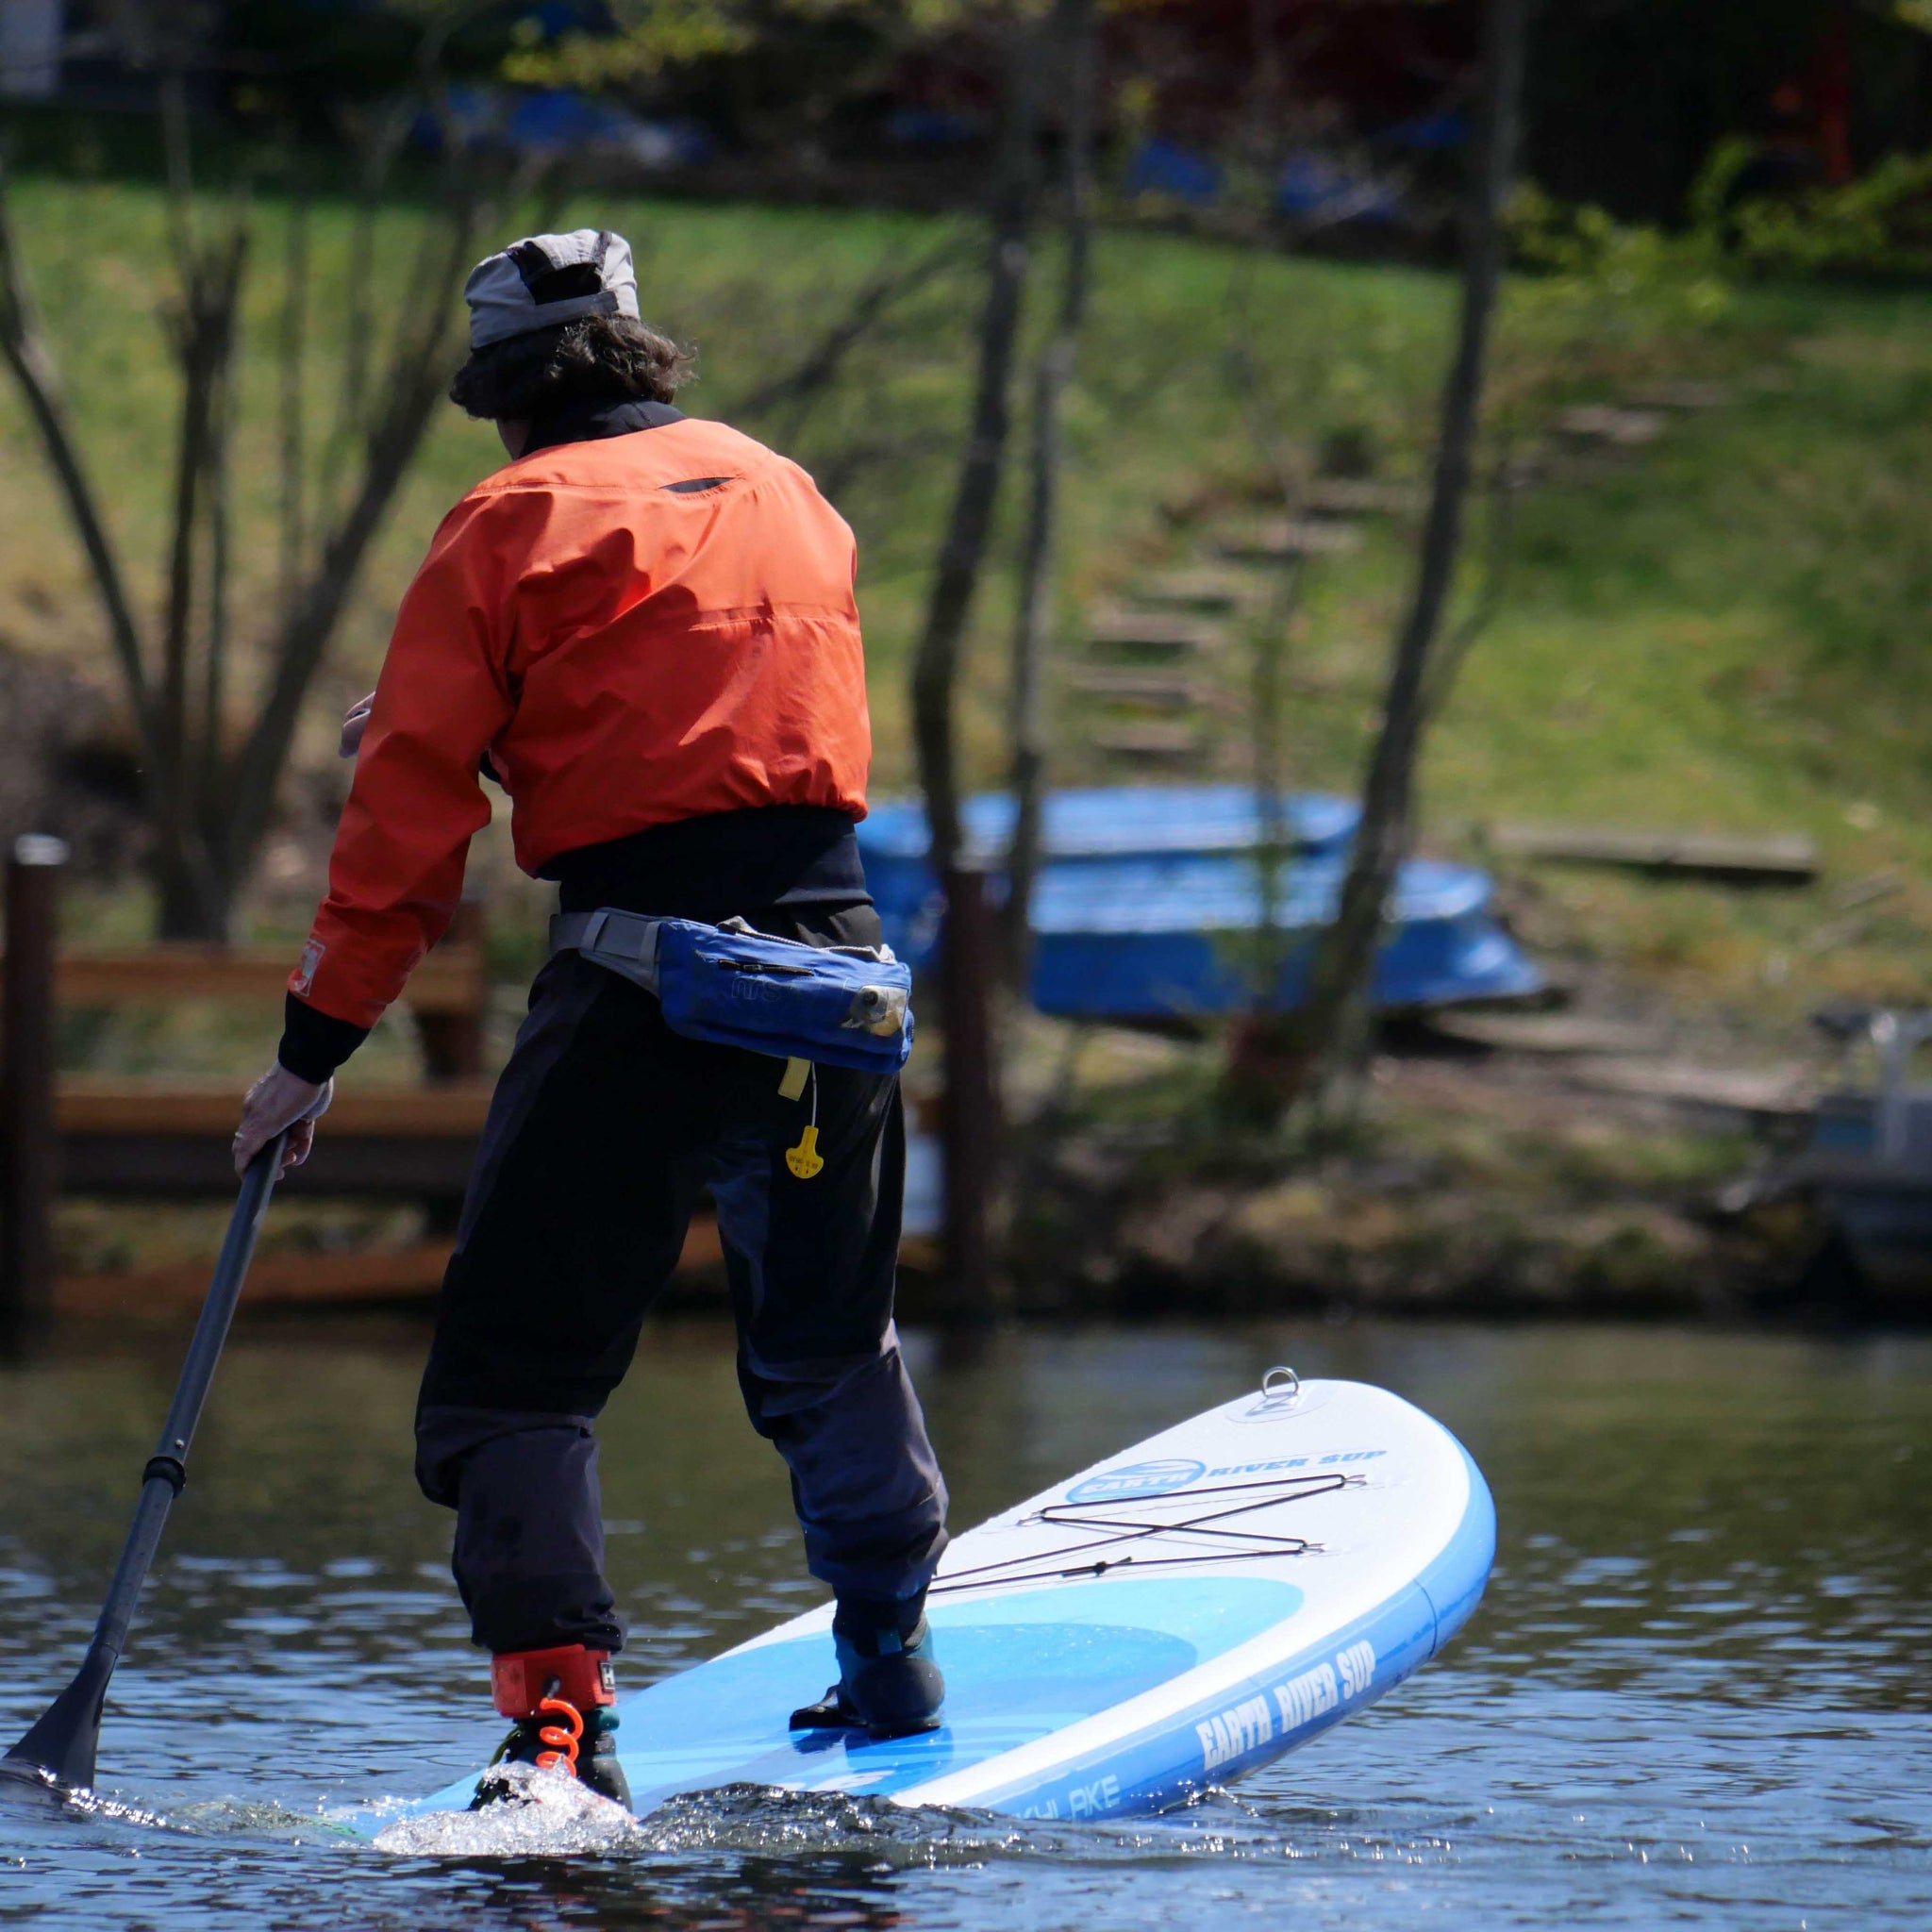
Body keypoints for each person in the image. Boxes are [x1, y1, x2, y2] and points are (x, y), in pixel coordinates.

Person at [231, 228, 949, 1810]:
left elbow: (405, 840)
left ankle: (562, 1726)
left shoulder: (502, 520)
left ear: (500, 396)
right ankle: (890, 1654)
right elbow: (717, 693)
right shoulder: (785, 488)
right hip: (835, 975)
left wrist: (312, 1053)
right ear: (641, 356)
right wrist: (470, 700)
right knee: (829, 1342)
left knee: (516, 1377)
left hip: (640, 988)